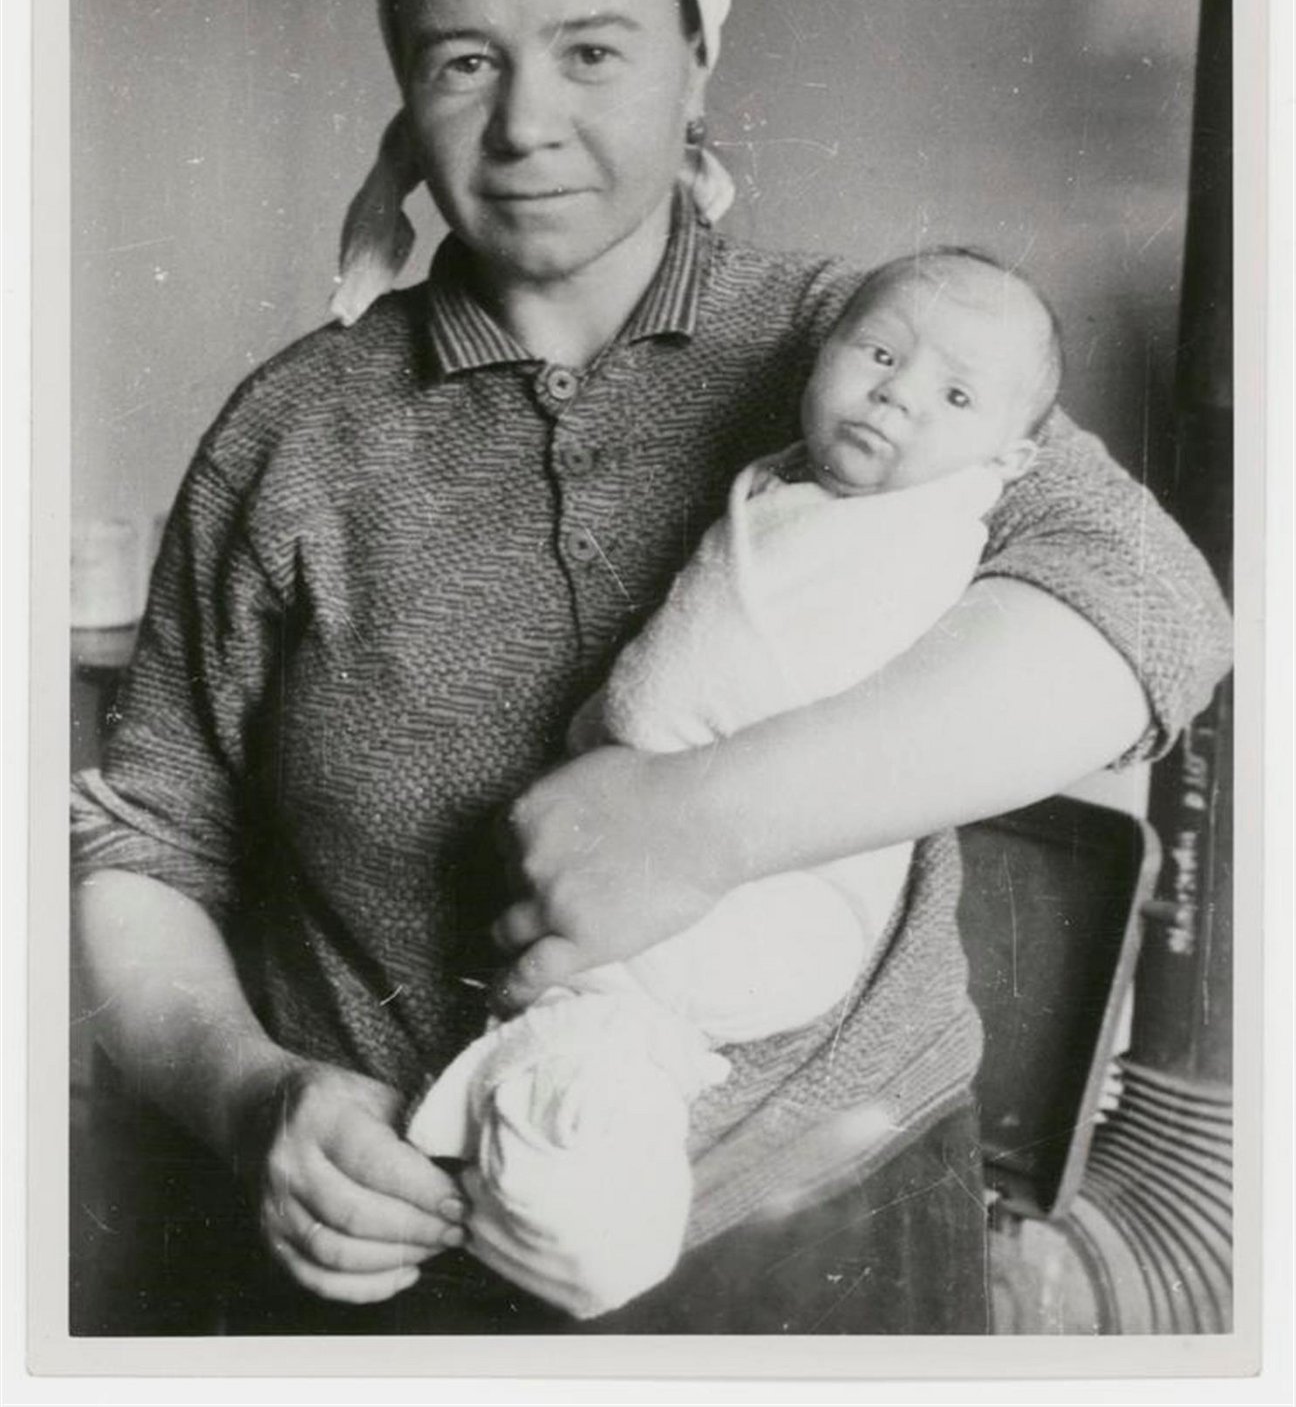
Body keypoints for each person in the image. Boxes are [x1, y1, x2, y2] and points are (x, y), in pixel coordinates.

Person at [70, 0, 1232, 1336]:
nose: (526, 120)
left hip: (819, 1232)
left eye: (595, 50)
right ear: (406, 95)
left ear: (700, 66)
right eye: (463, 59)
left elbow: (1158, 611)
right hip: (391, 1258)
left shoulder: (877, 347)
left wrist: (705, 817)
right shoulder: (296, 428)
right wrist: (248, 1093)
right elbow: (148, 841)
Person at [403, 245, 1064, 1320]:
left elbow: (1153, 612)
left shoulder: (941, 513)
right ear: (822, 355)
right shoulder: (785, 482)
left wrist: (688, 798)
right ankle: (573, 1173)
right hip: (622, 840)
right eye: (880, 354)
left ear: (1016, 453)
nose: (898, 396)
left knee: (600, 1035)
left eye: (951, 395)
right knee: (590, 1026)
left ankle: (595, 1210)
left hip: (775, 892)